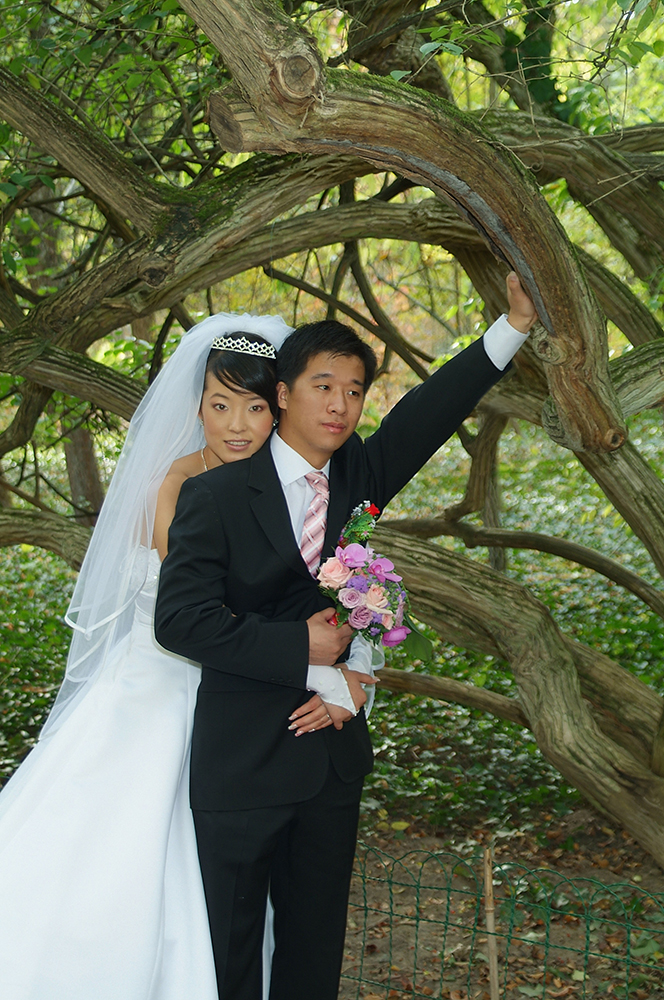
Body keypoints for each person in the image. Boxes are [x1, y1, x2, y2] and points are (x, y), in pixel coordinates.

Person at [155, 272, 538, 1000]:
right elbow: (179, 621)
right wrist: (301, 649)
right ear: (282, 394)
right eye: (323, 386)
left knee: (313, 955)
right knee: (229, 956)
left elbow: (431, 408)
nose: (340, 404)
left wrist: (514, 325)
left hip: (330, 761)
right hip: (243, 763)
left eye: (355, 391)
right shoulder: (215, 494)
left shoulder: (361, 474)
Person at [0, 311, 376, 1000]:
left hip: (253, 701)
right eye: (220, 405)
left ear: (278, 408)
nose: (237, 425)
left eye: (254, 407)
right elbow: (206, 614)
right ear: (195, 407)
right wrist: (322, 664)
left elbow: (328, 588)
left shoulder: (305, 486)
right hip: (165, 687)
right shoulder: (180, 489)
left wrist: (355, 666)